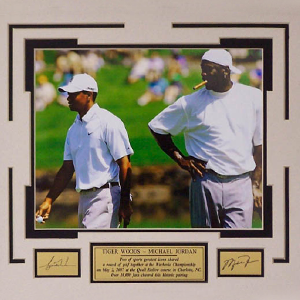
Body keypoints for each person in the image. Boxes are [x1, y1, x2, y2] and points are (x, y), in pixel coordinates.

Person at [148, 49, 262, 229]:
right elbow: (157, 127)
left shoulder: (253, 97)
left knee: (237, 248)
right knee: (205, 246)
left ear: (226, 71)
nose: (203, 74)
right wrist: (180, 159)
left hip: (241, 184)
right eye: (203, 68)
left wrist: (256, 184)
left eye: (209, 69)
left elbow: (260, 145)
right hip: (205, 182)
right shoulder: (190, 103)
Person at [36, 73, 134, 229]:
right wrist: (48, 200)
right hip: (84, 198)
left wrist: (124, 202)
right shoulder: (73, 129)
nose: (68, 97)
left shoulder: (108, 122)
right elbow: (67, 169)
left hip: (106, 197)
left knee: (92, 249)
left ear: (88, 95)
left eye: (73, 93)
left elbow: (125, 164)